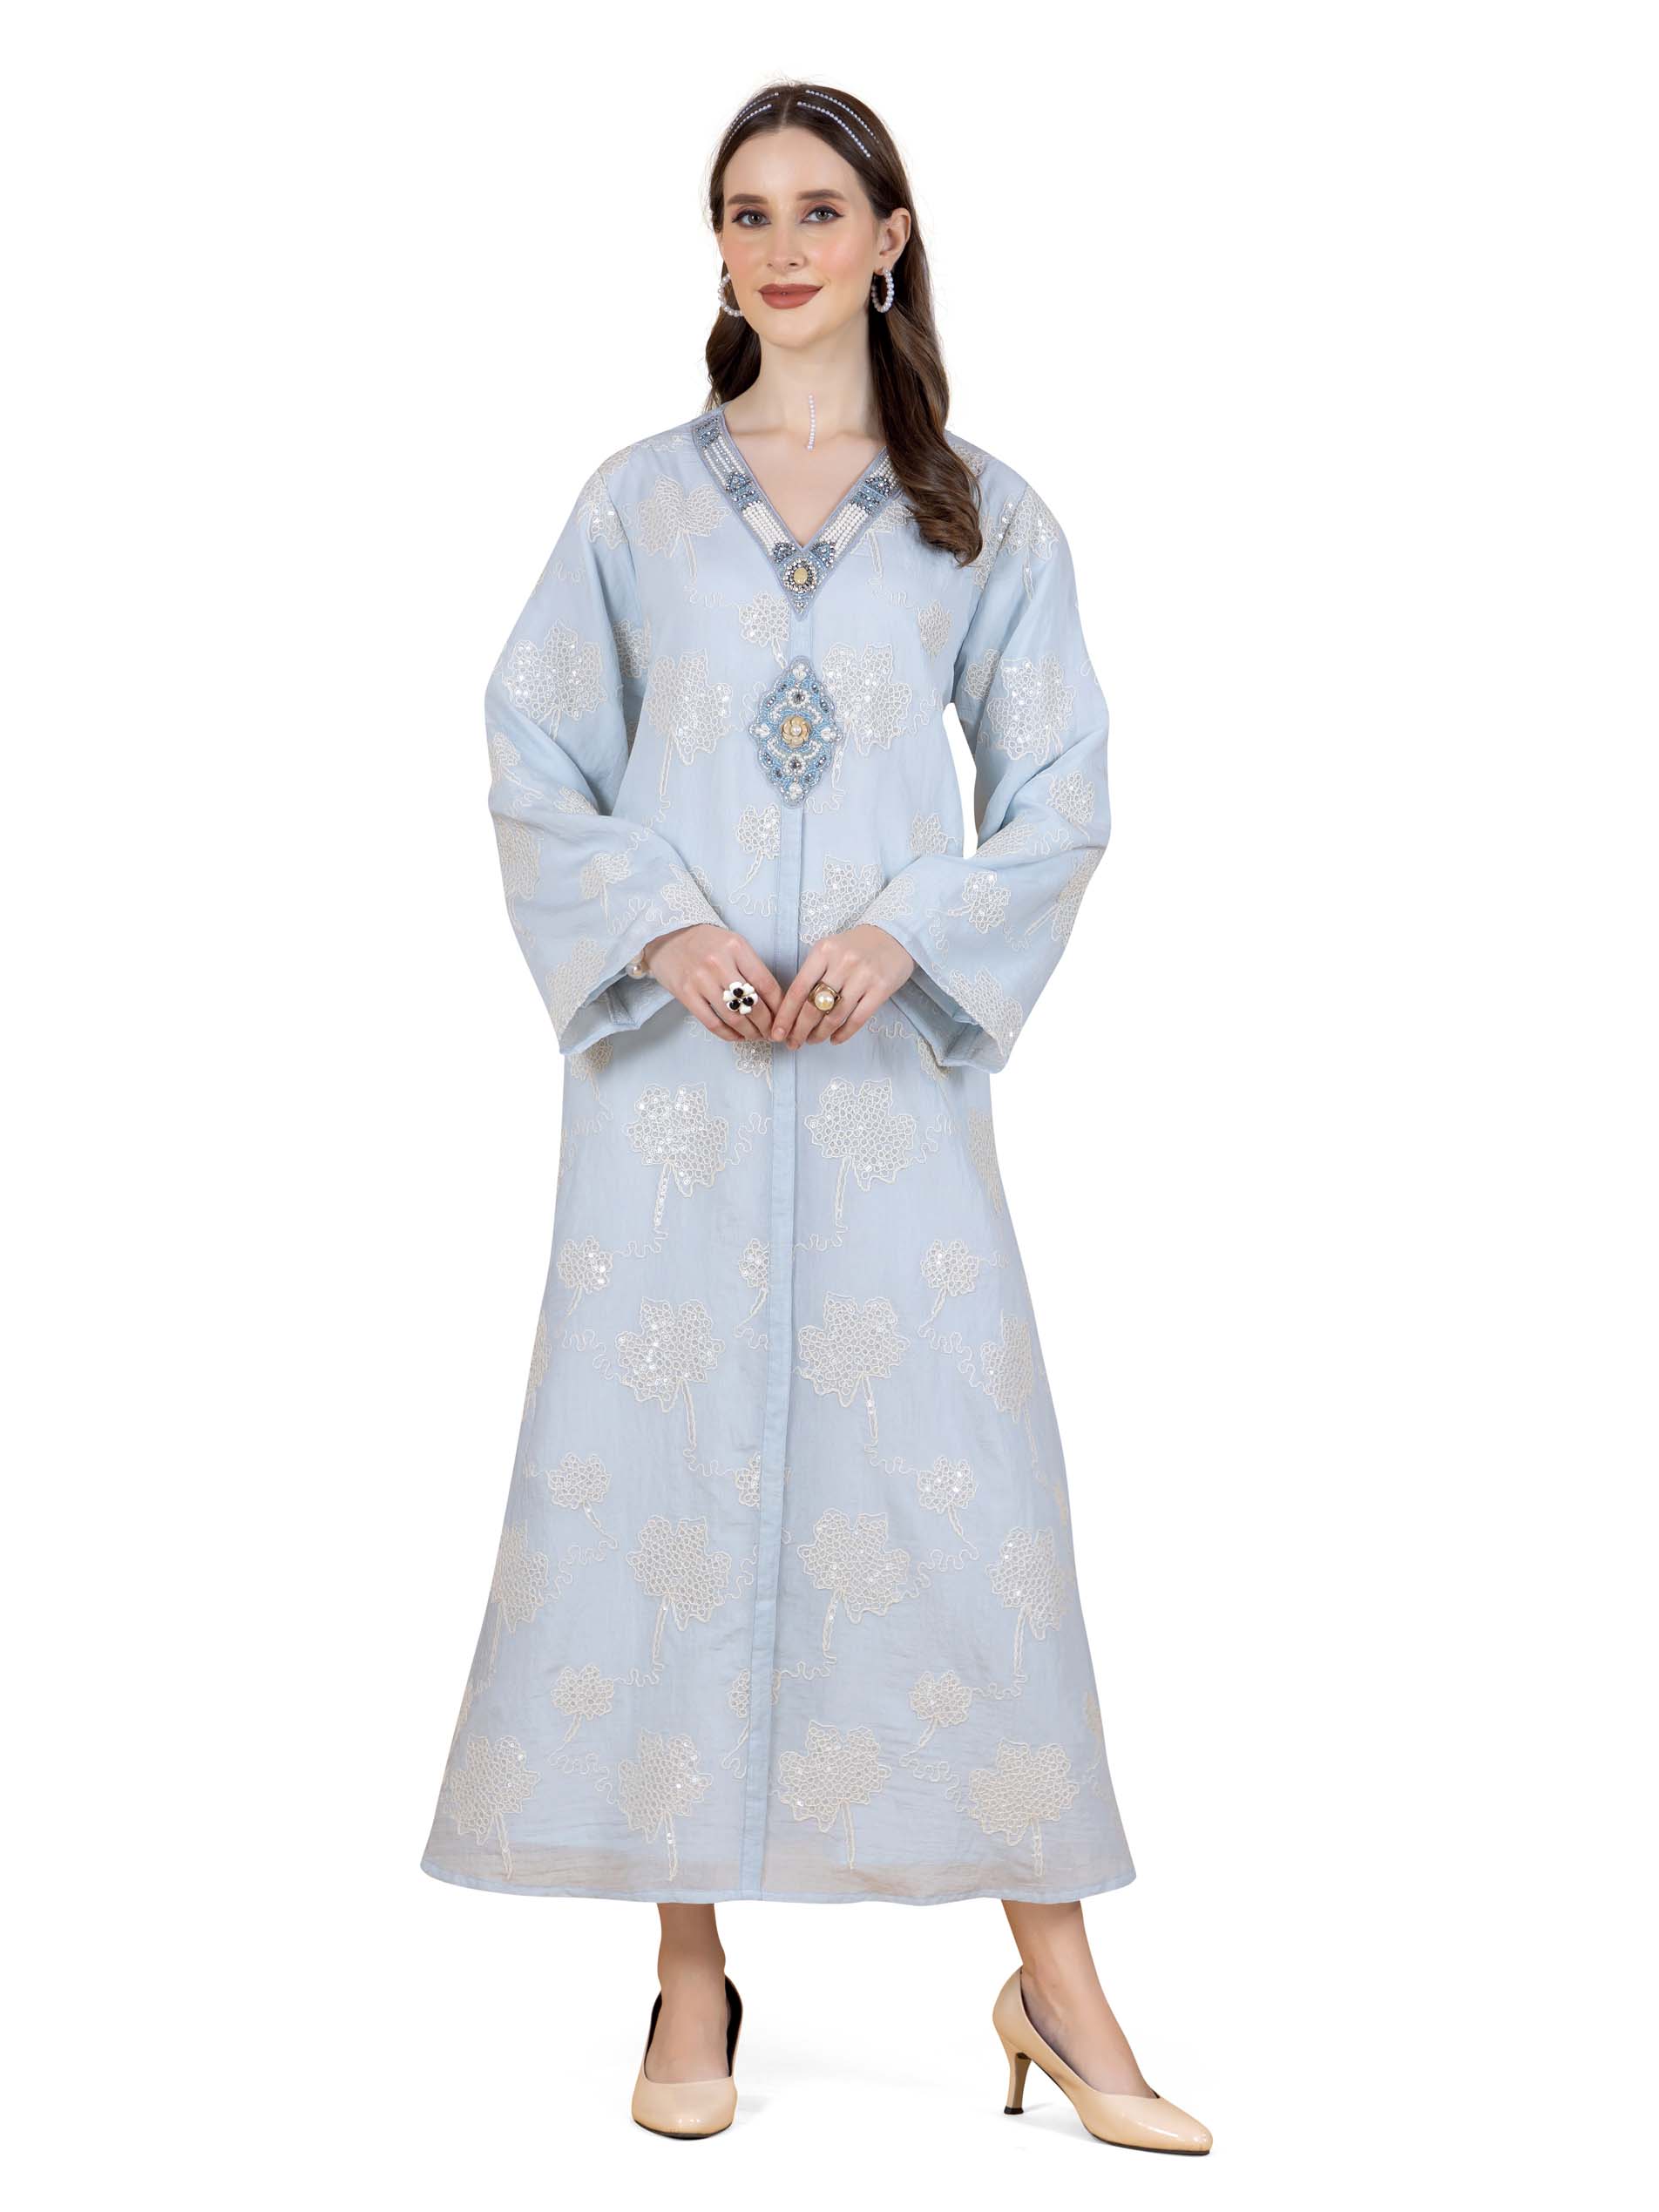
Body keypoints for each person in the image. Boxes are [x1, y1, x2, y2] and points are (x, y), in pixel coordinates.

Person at [420, 78, 1211, 2155]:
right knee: (660, 1478)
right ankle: (688, 1970)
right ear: (719, 247)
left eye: (817, 208)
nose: (778, 245)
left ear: (888, 237)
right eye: (745, 211)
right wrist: (661, 926)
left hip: (881, 1090)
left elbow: (1060, 793)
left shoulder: (981, 518)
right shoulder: (634, 507)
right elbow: (532, 753)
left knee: (962, 1497)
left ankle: (1054, 1977)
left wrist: (908, 931)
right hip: (674, 1095)